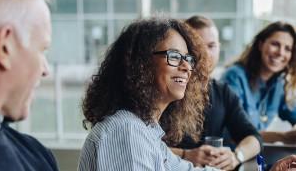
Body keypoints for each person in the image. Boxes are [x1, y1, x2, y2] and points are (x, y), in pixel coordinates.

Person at [78, 18, 221, 171]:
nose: (186, 66)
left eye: (187, 58)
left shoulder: (146, 131)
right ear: (141, 63)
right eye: (174, 56)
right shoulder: (127, 132)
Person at [170, 15, 261, 171]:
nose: (205, 54)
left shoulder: (223, 92)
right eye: (197, 46)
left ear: (219, 47)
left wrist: (236, 156)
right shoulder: (169, 89)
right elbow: (144, 144)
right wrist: (185, 154)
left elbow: (254, 137)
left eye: (211, 46)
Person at [0, 0, 58, 170]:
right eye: (42, 49)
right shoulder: (35, 159)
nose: (45, 70)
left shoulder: (35, 154)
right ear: (5, 47)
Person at [220, 21, 296, 131]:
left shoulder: (279, 84)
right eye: (275, 44)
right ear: (261, 45)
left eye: (288, 49)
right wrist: (283, 137)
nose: (281, 53)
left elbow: (293, 113)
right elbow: (238, 130)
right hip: (233, 148)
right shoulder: (234, 77)